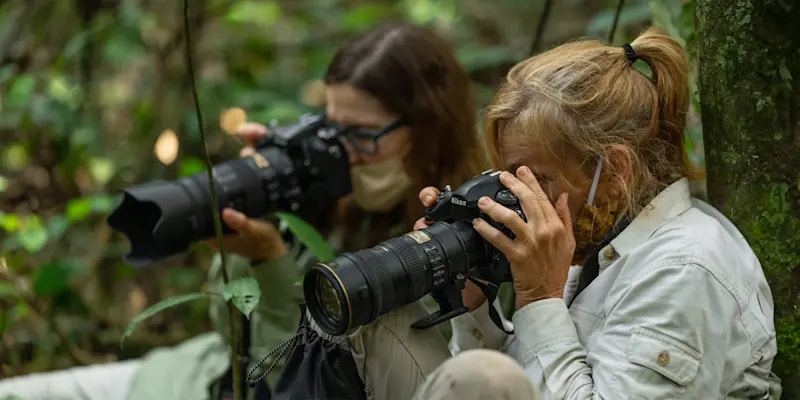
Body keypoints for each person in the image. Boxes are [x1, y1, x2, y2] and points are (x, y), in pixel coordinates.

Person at [0, 22, 486, 400]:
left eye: (360, 135)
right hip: (189, 374)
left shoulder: (463, 233)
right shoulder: (328, 199)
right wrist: (268, 194)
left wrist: (271, 262)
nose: (343, 153)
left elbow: (289, 376)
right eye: (330, 130)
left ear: (428, 128)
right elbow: (228, 327)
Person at [408, 27, 782, 399]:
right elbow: (524, 380)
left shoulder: (683, 270)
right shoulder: (600, 238)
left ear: (615, 169)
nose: (522, 199)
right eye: (511, 180)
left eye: (537, 179)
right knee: (371, 317)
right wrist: (473, 301)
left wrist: (540, 297)